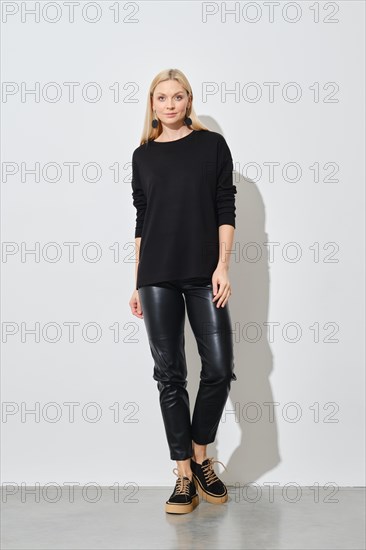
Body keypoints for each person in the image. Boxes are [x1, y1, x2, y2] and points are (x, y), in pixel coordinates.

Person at [129, 68, 238, 514]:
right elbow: (142, 218)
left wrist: (223, 266)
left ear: (188, 101)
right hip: (156, 275)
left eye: (178, 97)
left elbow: (225, 204)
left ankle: (200, 455)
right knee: (169, 373)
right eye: (161, 97)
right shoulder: (143, 155)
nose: (170, 104)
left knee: (219, 367)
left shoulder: (211, 146)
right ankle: (182, 475)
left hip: (202, 273)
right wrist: (137, 280)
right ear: (152, 104)